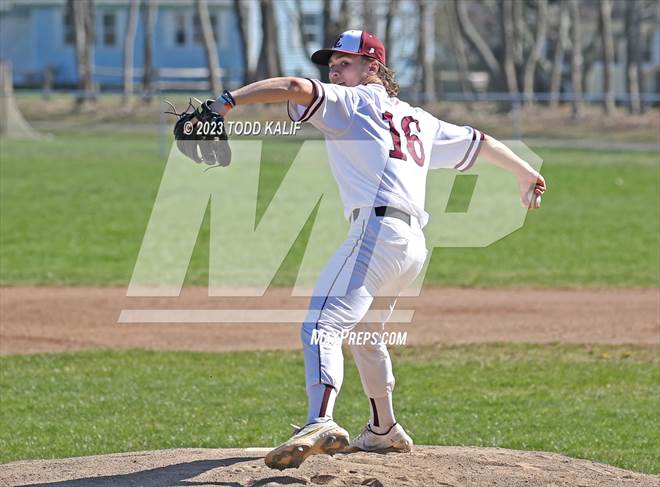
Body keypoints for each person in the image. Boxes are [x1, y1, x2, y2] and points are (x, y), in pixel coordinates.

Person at [208, 30, 546, 470]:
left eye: (345, 63)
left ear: (374, 68)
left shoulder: (352, 102)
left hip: (377, 232)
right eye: (331, 64)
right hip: (411, 248)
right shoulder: (420, 120)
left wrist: (226, 102)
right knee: (367, 335)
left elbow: (293, 88)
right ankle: (384, 428)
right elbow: (480, 142)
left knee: (320, 325)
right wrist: (525, 174)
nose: (334, 69)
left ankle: (320, 420)